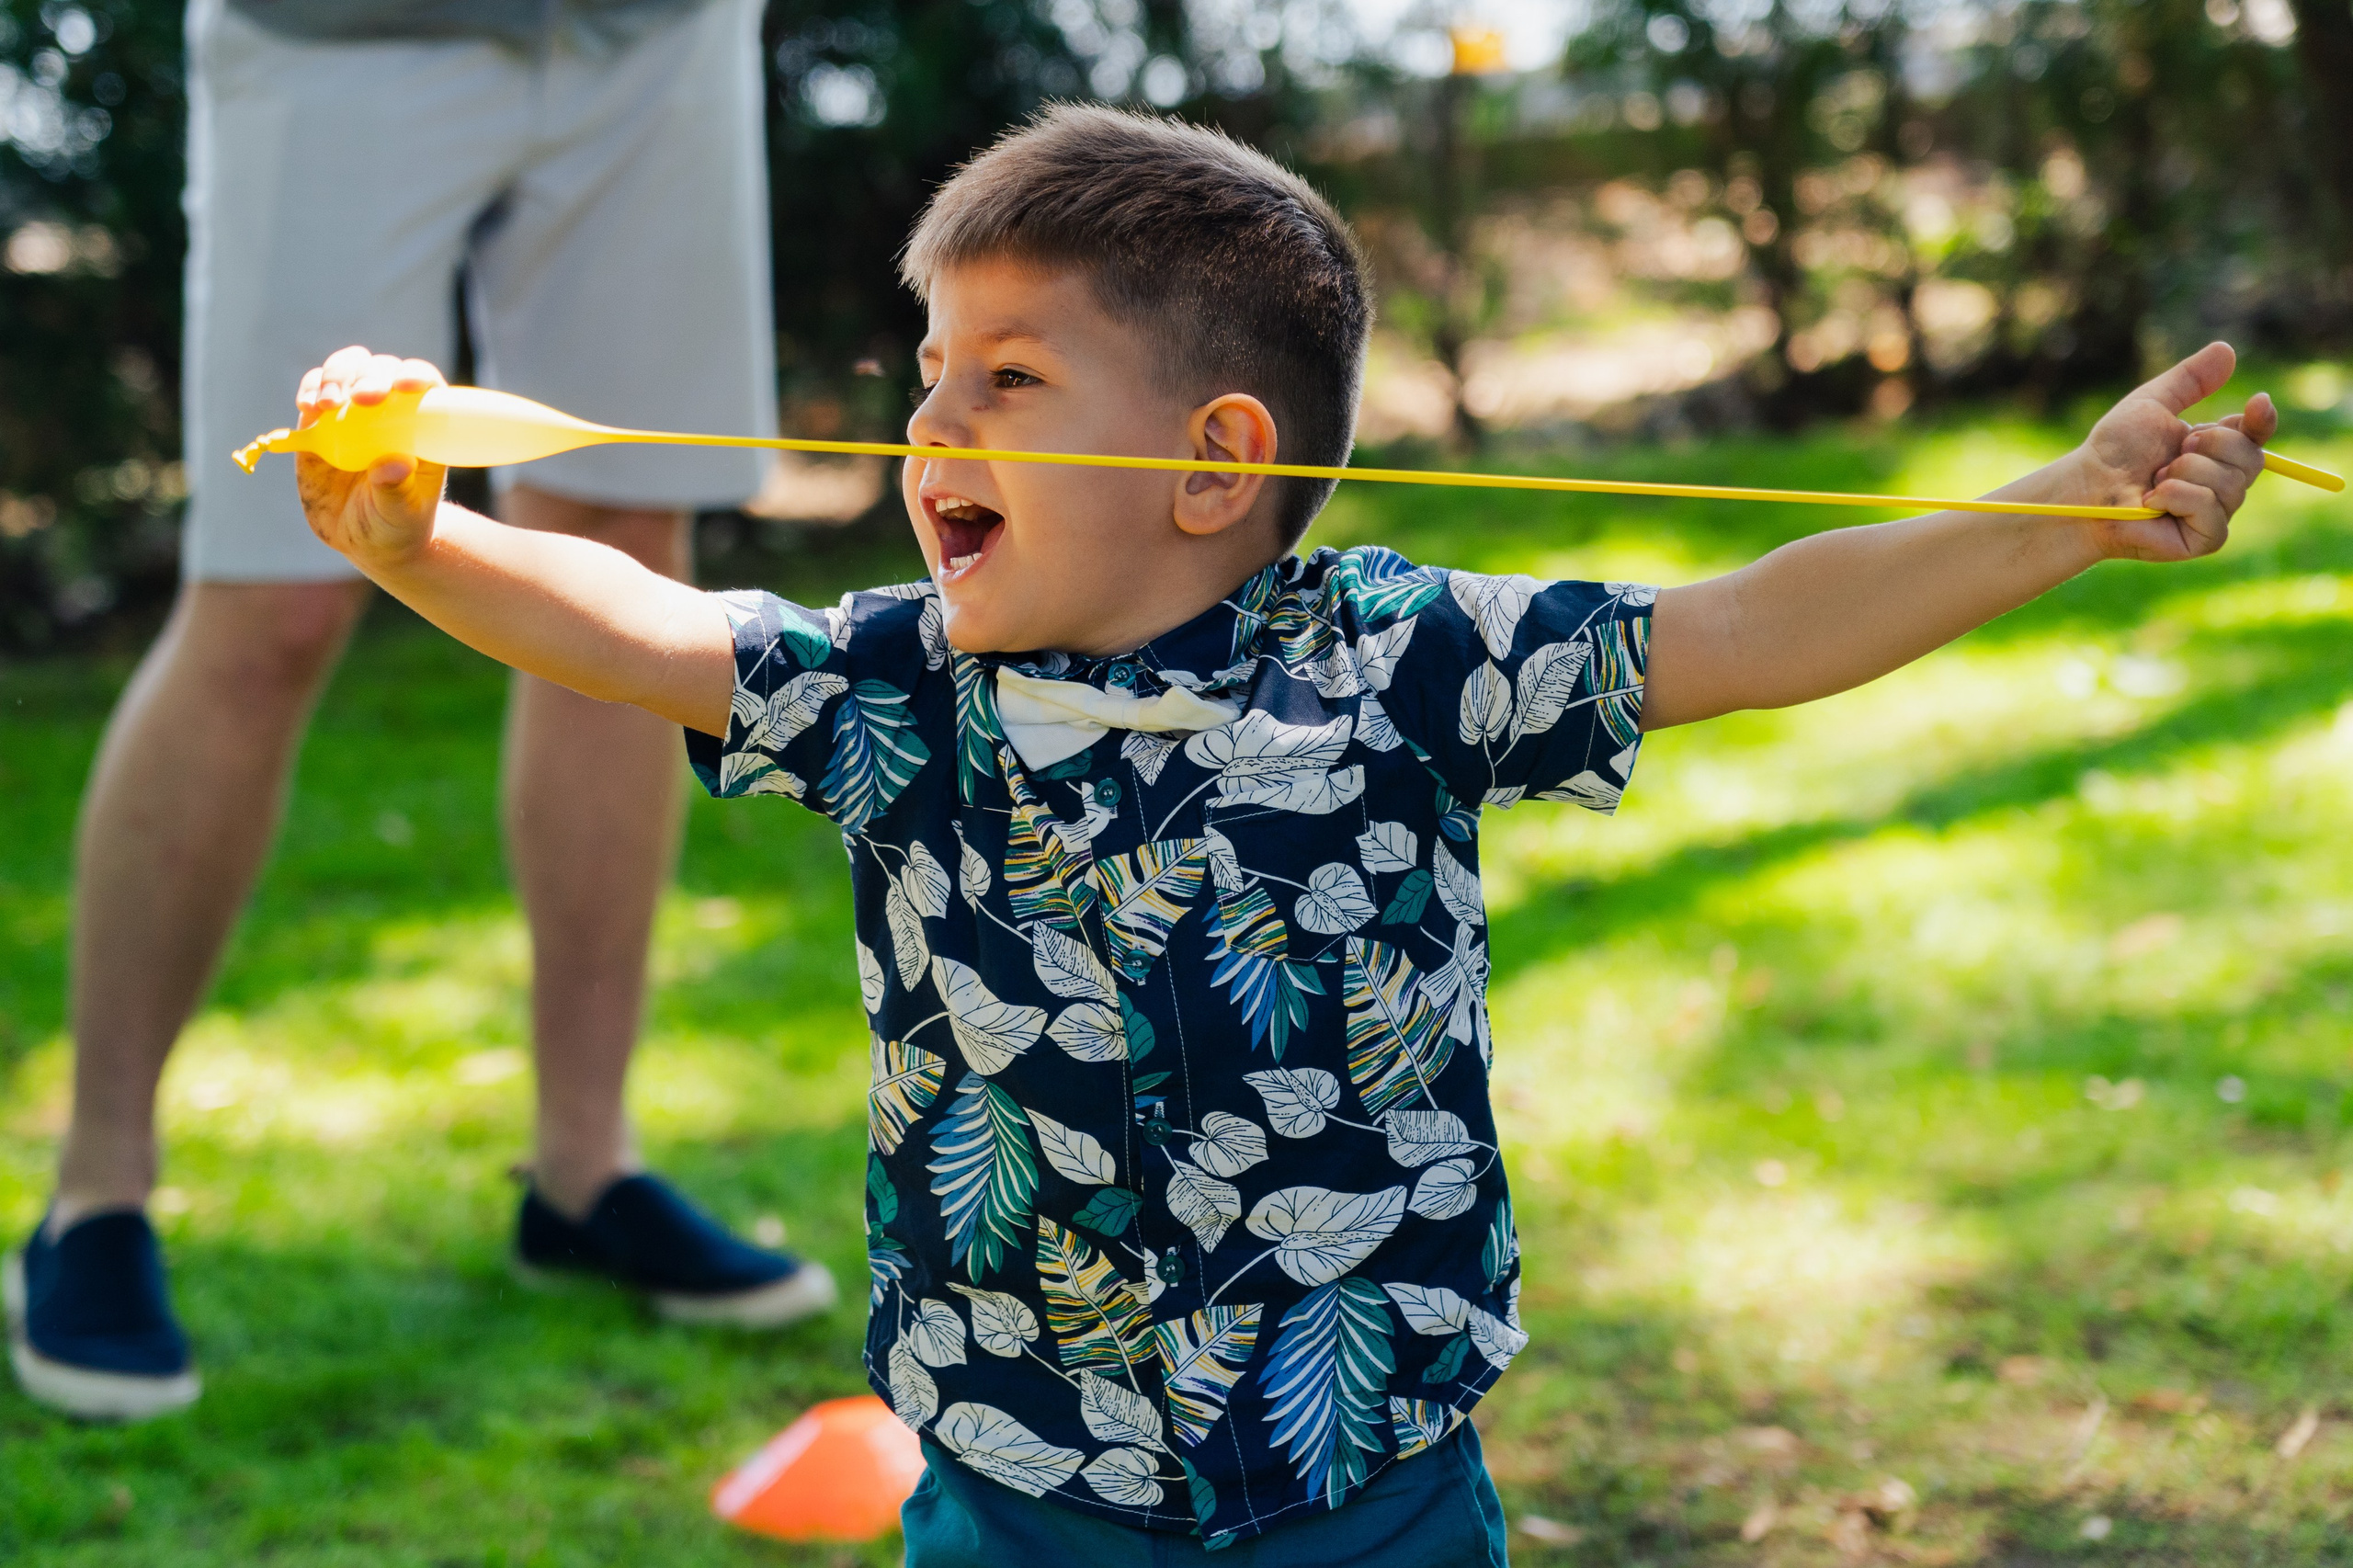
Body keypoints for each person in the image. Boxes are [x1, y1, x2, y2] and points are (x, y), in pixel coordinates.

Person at [256, 106, 2270, 1559]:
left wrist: (2047, 521)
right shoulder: (896, 691)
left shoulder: (1399, 658)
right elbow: (651, 631)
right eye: (928, 373)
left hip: (1363, 1477)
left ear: (1214, 463)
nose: (928, 429)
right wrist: (421, 532)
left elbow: (1742, 627)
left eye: (1009, 378)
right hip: (1015, 1478)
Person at [5, 0, 834, 1424]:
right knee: (276, 590)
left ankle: (585, 1168)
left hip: (652, 35)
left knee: (629, 564)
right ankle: (96, 1190)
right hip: (337, 31)